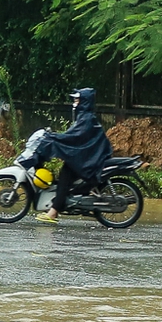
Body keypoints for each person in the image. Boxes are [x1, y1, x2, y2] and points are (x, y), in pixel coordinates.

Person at [32, 86, 112, 224]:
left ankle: (53, 212)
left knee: (65, 176)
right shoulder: (85, 117)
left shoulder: (86, 119)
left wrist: (55, 139)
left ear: (84, 101)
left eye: (77, 100)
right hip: (86, 157)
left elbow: (73, 138)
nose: (74, 103)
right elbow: (73, 136)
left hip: (88, 160)